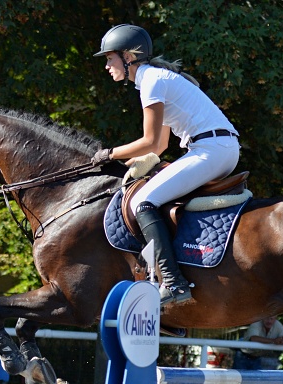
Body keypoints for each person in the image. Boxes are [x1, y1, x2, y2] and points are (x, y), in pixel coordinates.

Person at [92, 24, 240, 306]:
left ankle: (173, 282)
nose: (107, 66)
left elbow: (148, 140)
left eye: (110, 59)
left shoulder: (151, 81)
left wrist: (109, 154)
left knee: (143, 203)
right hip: (218, 147)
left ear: (127, 57)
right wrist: (135, 160)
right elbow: (159, 146)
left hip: (211, 150)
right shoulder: (154, 78)